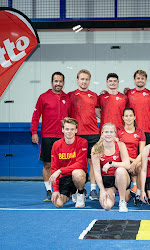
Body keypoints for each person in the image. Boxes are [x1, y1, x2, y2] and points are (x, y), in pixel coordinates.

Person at [31, 72, 71, 201]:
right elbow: (36, 116)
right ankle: (49, 190)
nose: (58, 83)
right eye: (55, 81)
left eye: (60, 81)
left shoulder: (68, 98)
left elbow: (72, 119)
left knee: (63, 164)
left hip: (63, 137)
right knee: (47, 164)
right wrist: (34, 132)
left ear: (63, 83)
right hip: (48, 136)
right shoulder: (43, 97)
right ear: (51, 82)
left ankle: (62, 189)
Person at [68, 69, 100, 200]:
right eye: (82, 79)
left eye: (86, 79)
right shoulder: (70, 95)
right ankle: (79, 189)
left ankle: (93, 190)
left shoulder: (94, 96)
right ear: (77, 80)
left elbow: (99, 113)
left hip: (93, 133)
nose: (84, 82)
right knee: (78, 163)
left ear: (89, 81)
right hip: (78, 134)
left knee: (93, 162)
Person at [91, 123, 131, 212]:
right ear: (101, 133)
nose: (109, 134)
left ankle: (122, 201)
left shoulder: (120, 145)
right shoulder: (96, 148)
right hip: (107, 181)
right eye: (106, 132)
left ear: (115, 134)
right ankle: (113, 192)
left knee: (120, 170)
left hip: (121, 178)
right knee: (107, 205)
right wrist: (102, 190)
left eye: (111, 132)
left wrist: (111, 163)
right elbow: (97, 172)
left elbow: (127, 165)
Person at [49, 117, 88, 208]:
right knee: (58, 204)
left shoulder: (83, 142)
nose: (69, 131)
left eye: (72, 129)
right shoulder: (56, 145)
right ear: (62, 130)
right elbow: (54, 168)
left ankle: (80, 193)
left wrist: (60, 171)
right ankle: (73, 192)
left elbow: (80, 164)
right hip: (64, 178)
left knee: (77, 173)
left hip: (77, 174)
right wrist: (55, 190)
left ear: (76, 130)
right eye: (67, 129)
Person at [117, 107, 146, 205]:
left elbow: (142, 152)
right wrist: (128, 161)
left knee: (141, 166)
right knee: (125, 199)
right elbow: (118, 149)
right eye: (126, 116)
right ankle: (130, 189)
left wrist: (134, 162)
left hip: (135, 162)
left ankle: (138, 193)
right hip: (123, 163)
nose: (128, 118)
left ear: (134, 117)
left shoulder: (140, 132)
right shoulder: (118, 131)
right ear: (123, 118)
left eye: (130, 116)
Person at [126, 70, 150, 145]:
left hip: (147, 130)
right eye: (138, 78)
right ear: (134, 80)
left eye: (142, 78)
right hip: (133, 129)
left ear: (145, 80)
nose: (140, 80)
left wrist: (149, 118)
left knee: (147, 155)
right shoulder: (129, 93)